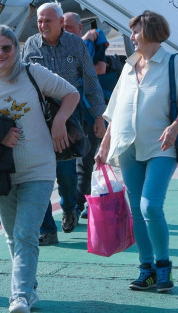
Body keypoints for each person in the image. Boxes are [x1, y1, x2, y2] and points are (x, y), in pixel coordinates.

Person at [0, 25, 79, 313]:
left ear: (16, 49)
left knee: (26, 234)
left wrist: (59, 121)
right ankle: (29, 288)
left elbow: (71, 94)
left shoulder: (33, 74)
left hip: (39, 169)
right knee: (12, 237)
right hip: (2, 173)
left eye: (6, 47)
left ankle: (18, 297)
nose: (0, 53)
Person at [96, 11, 178, 293]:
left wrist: (175, 127)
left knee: (150, 206)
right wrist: (105, 144)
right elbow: (116, 109)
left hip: (160, 147)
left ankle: (163, 266)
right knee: (136, 212)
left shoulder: (173, 63)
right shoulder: (130, 65)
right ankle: (147, 269)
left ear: (152, 32)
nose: (132, 37)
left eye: (136, 32)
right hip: (127, 146)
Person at [21, 3, 106, 246]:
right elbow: (21, 80)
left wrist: (99, 116)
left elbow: (90, 81)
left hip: (68, 119)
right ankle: (47, 229)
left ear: (60, 22)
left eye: (47, 20)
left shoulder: (76, 45)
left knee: (66, 175)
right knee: (40, 176)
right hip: (38, 119)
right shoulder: (30, 45)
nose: (42, 25)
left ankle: (69, 207)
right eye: (39, 21)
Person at [62, 11, 106, 219]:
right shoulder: (57, 48)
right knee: (66, 166)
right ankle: (73, 204)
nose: (65, 31)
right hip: (66, 113)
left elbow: (100, 68)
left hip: (87, 112)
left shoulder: (90, 44)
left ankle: (79, 205)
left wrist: (99, 117)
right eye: (63, 27)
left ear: (80, 28)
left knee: (85, 162)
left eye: (69, 27)